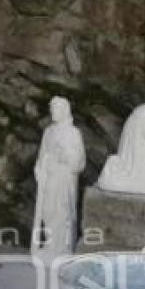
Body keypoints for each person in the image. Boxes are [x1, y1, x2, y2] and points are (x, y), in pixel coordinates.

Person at [29, 96, 85, 263]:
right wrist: (39, 168)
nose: (53, 112)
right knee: (47, 211)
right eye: (52, 109)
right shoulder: (49, 132)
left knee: (61, 213)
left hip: (63, 180)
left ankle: (61, 248)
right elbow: (42, 154)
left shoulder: (74, 133)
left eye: (56, 109)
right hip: (49, 179)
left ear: (64, 111)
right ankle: (49, 246)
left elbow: (79, 162)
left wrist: (65, 156)